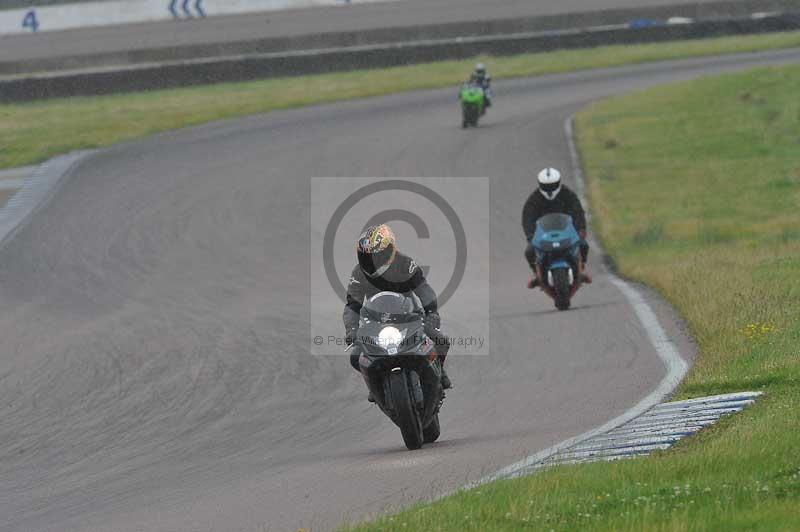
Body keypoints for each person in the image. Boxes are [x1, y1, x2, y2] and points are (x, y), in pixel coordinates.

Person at [343, 224, 452, 395]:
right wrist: (352, 330)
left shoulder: (405, 264)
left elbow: (424, 290)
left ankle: (438, 372)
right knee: (355, 356)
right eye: (366, 257)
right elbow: (352, 305)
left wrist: (432, 315)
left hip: (409, 317)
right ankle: (377, 384)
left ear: (390, 250)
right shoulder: (358, 273)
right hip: (375, 322)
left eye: (376, 256)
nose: (371, 261)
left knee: (440, 341)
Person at [522, 167, 592, 289]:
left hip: (566, 232)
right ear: (540, 184)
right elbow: (527, 218)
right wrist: (530, 235)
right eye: (546, 186)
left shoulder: (568, 195)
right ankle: (537, 275)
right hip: (544, 235)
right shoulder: (533, 200)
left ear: (559, 183)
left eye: (553, 185)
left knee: (584, 245)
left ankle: (581, 269)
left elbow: (578, 212)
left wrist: (580, 229)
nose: (550, 189)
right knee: (529, 251)